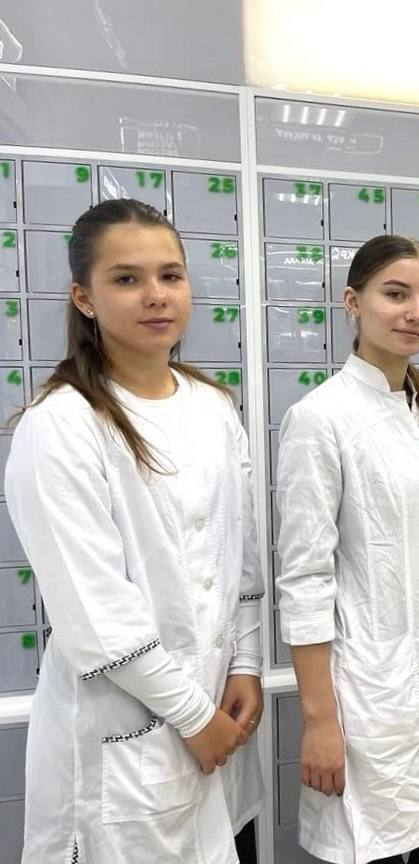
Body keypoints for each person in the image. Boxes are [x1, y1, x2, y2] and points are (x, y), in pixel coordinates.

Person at [4, 199, 265, 863]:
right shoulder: (60, 425)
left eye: (170, 275)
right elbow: (95, 611)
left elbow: (241, 556)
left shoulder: (213, 407)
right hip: (125, 734)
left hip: (215, 718)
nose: (156, 295)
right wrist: (194, 715)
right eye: (126, 279)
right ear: (83, 298)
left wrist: (245, 664)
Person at [276, 235, 419, 864]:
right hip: (371, 692)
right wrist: (320, 720)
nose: (415, 313)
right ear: (353, 302)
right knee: (378, 841)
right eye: (395, 294)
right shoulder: (321, 418)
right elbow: (304, 578)